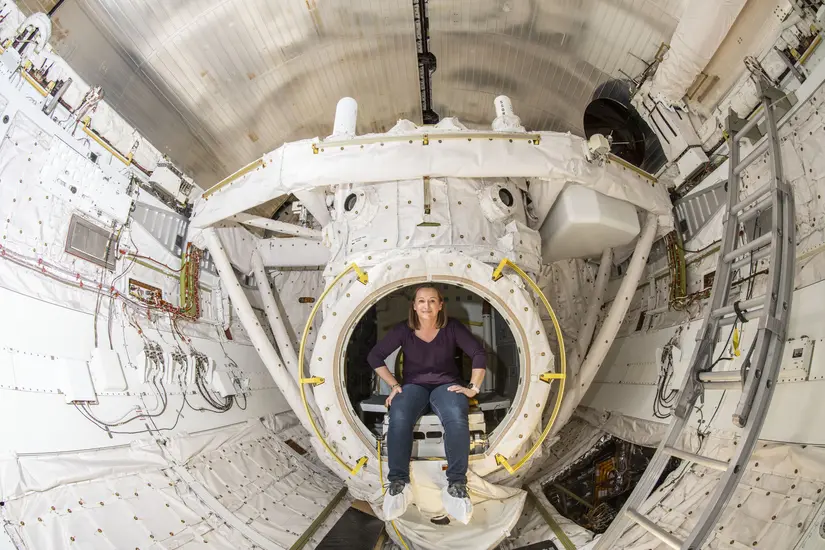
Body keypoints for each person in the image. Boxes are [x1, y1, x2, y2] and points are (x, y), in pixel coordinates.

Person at [367, 284, 486, 521]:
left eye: (432, 301)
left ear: (440, 305)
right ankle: (398, 482)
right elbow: (374, 356)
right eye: (421, 301)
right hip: (414, 386)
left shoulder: (452, 327)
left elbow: (478, 353)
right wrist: (394, 385)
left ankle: (456, 485)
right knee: (399, 414)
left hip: (446, 385)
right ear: (414, 305)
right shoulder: (404, 330)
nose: (427, 306)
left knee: (456, 415)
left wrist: (473, 388)